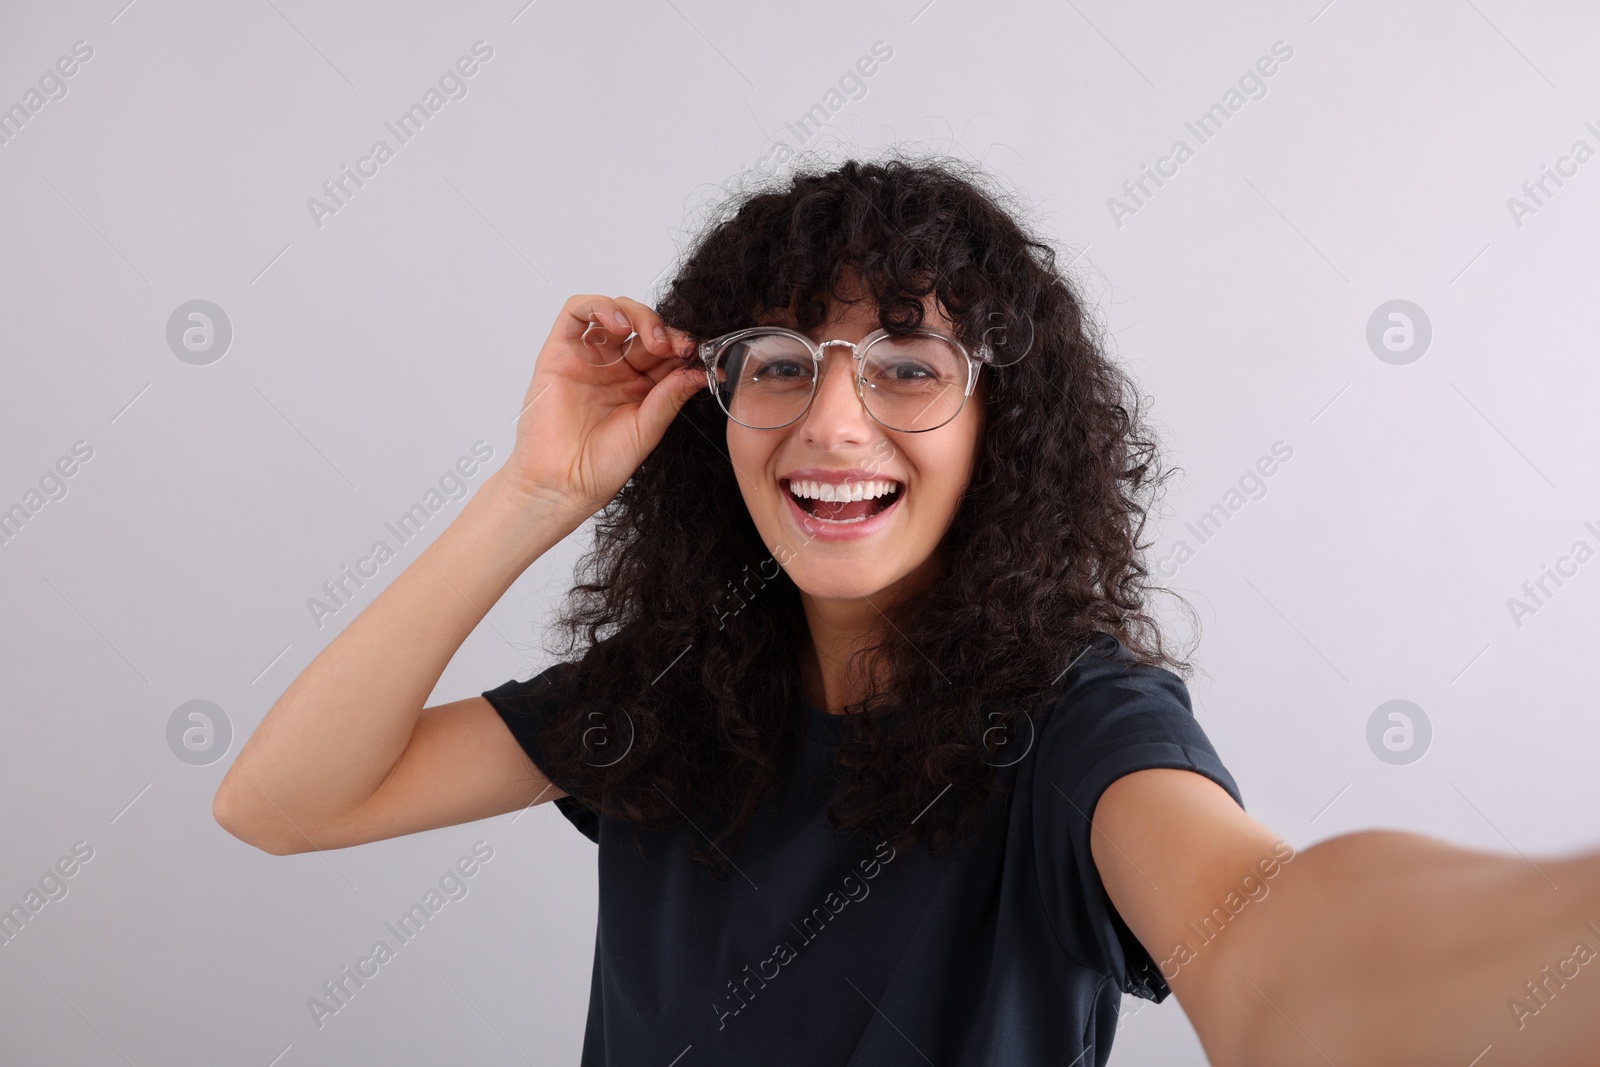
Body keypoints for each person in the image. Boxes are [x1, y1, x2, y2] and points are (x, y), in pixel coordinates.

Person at [213, 157, 1600, 1066]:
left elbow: (1271, 927)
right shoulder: (675, 689)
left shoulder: (1076, 727)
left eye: (908, 367)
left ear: (1003, 423)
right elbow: (283, 802)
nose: (830, 420)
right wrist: (536, 490)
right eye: (777, 363)